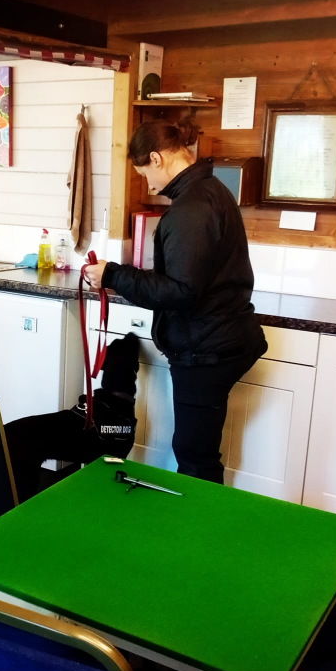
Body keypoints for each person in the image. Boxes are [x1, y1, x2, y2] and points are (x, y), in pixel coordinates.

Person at [83, 118, 268, 484]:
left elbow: (180, 291)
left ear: (157, 158)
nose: (148, 184)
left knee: (195, 457)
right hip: (222, 338)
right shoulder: (212, 190)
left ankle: (200, 520)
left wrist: (113, 275)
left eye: (144, 173)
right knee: (197, 449)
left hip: (206, 349)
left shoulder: (190, 209)